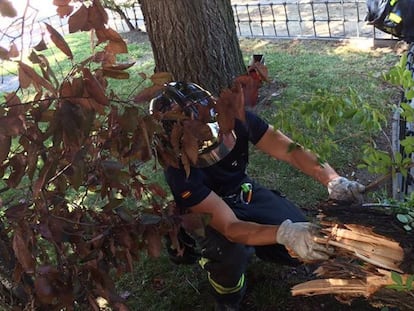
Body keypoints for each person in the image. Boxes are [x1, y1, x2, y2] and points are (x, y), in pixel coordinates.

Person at [149, 81, 365, 311]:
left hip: (240, 190)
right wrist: (284, 233)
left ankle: (261, 244)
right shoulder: (179, 173)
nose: (224, 147)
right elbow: (231, 227)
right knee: (231, 252)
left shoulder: (237, 118)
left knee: (301, 239)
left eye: (223, 135)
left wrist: (333, 180)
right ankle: (225, 295)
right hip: (205, 210)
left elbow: (291, 150)